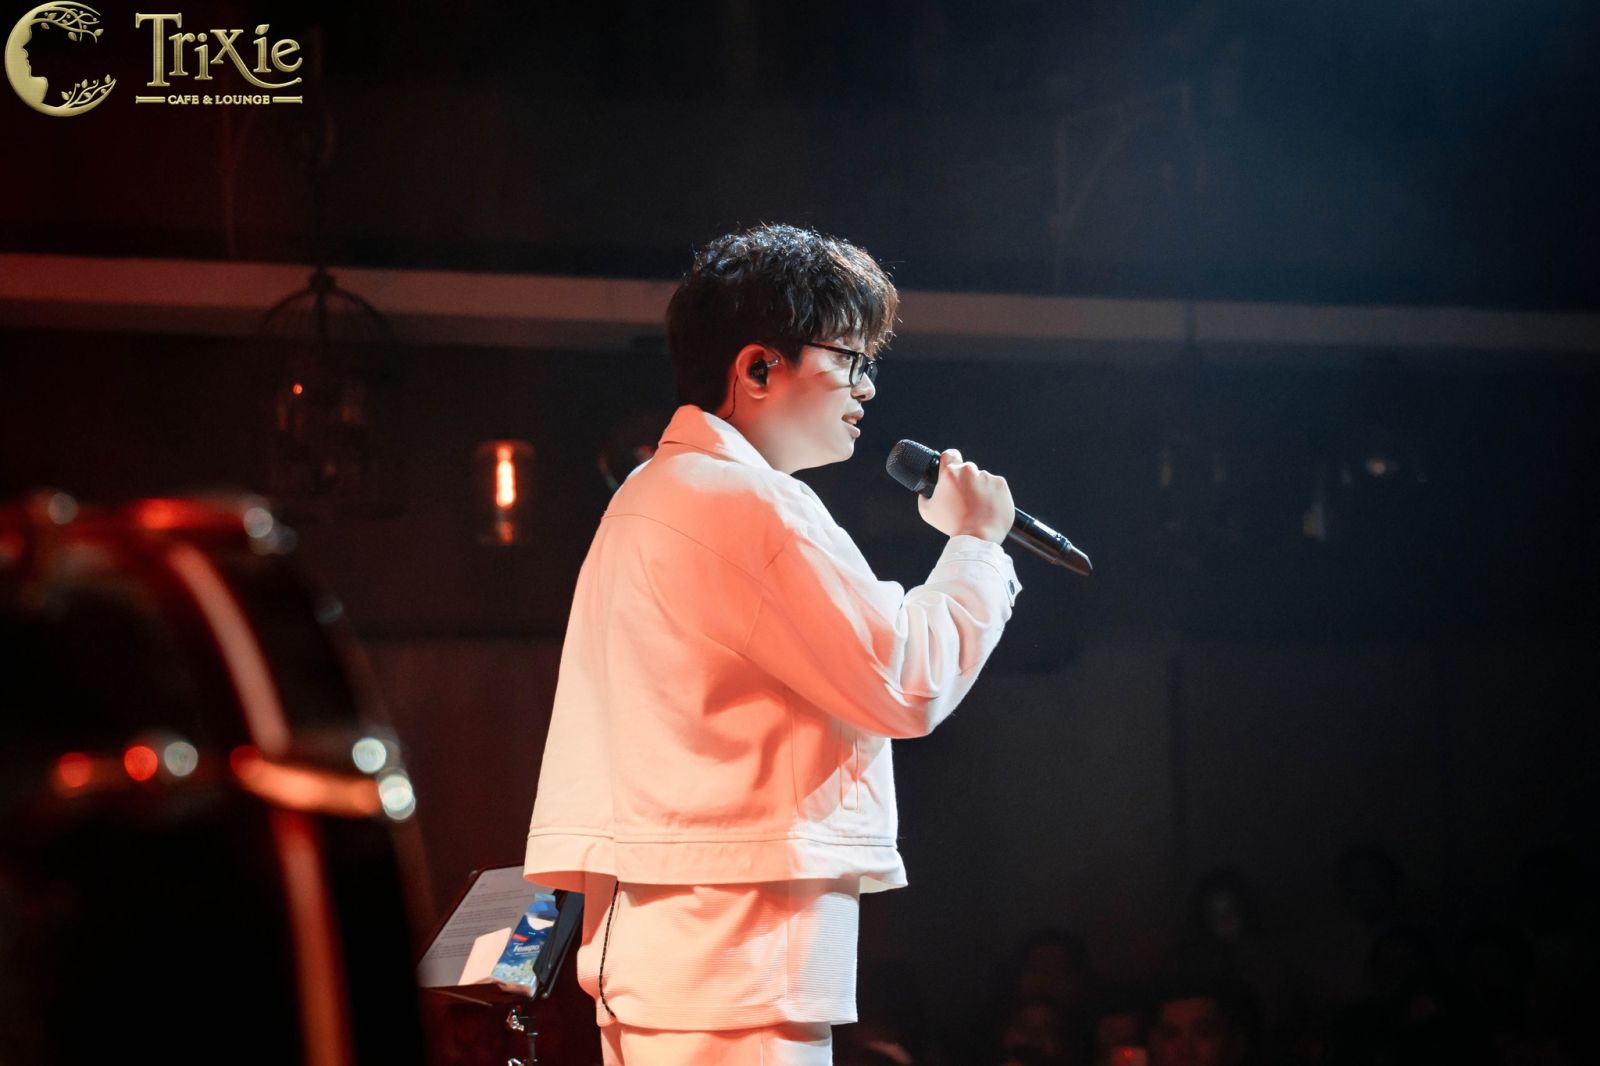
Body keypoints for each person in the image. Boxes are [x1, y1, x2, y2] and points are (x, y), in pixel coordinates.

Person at [522, 223, 1024, 1065]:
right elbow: (904, 679)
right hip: (738, 950)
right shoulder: (747, 502)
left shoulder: (650, 493)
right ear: (758, 368)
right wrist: (976, 544)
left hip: (671, 943)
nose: (867, 386)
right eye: (850, 359)